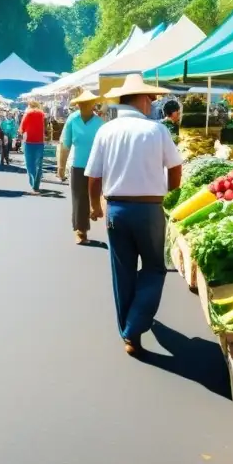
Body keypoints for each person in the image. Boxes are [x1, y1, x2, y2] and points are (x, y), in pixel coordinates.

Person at [85, 74, 183, 356]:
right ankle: (134, 325)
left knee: (122, 271)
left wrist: (95, 206)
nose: (152, 103)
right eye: (150, 99)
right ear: (141, 99)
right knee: (154, 268)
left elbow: (93, 176)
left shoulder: (106, 130)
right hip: (150, 209)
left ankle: (130, 335)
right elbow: (175, 168)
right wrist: (172, 196)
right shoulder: (157, 131)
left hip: (117, 209)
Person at [58, 90, 105, 245]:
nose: (83, 106)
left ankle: (94, 211)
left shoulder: (100, 123)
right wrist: (61, 166)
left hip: (97, 166)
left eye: (87, 103)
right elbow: (65, 145)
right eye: (81, 104)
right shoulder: (72, 120)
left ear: (93, 105)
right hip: (78, 166)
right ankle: (81, 230)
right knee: (79, 199)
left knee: (95, 196)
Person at [20, 100, 47, 193]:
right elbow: (46, 128)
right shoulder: (42, 114)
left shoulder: (27, 114)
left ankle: (33, 184)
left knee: (30, 164)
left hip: (29, 141)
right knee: (38, 164)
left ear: (29, 105)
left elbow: (21, 128)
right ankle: (37, 185)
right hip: (40, 141)